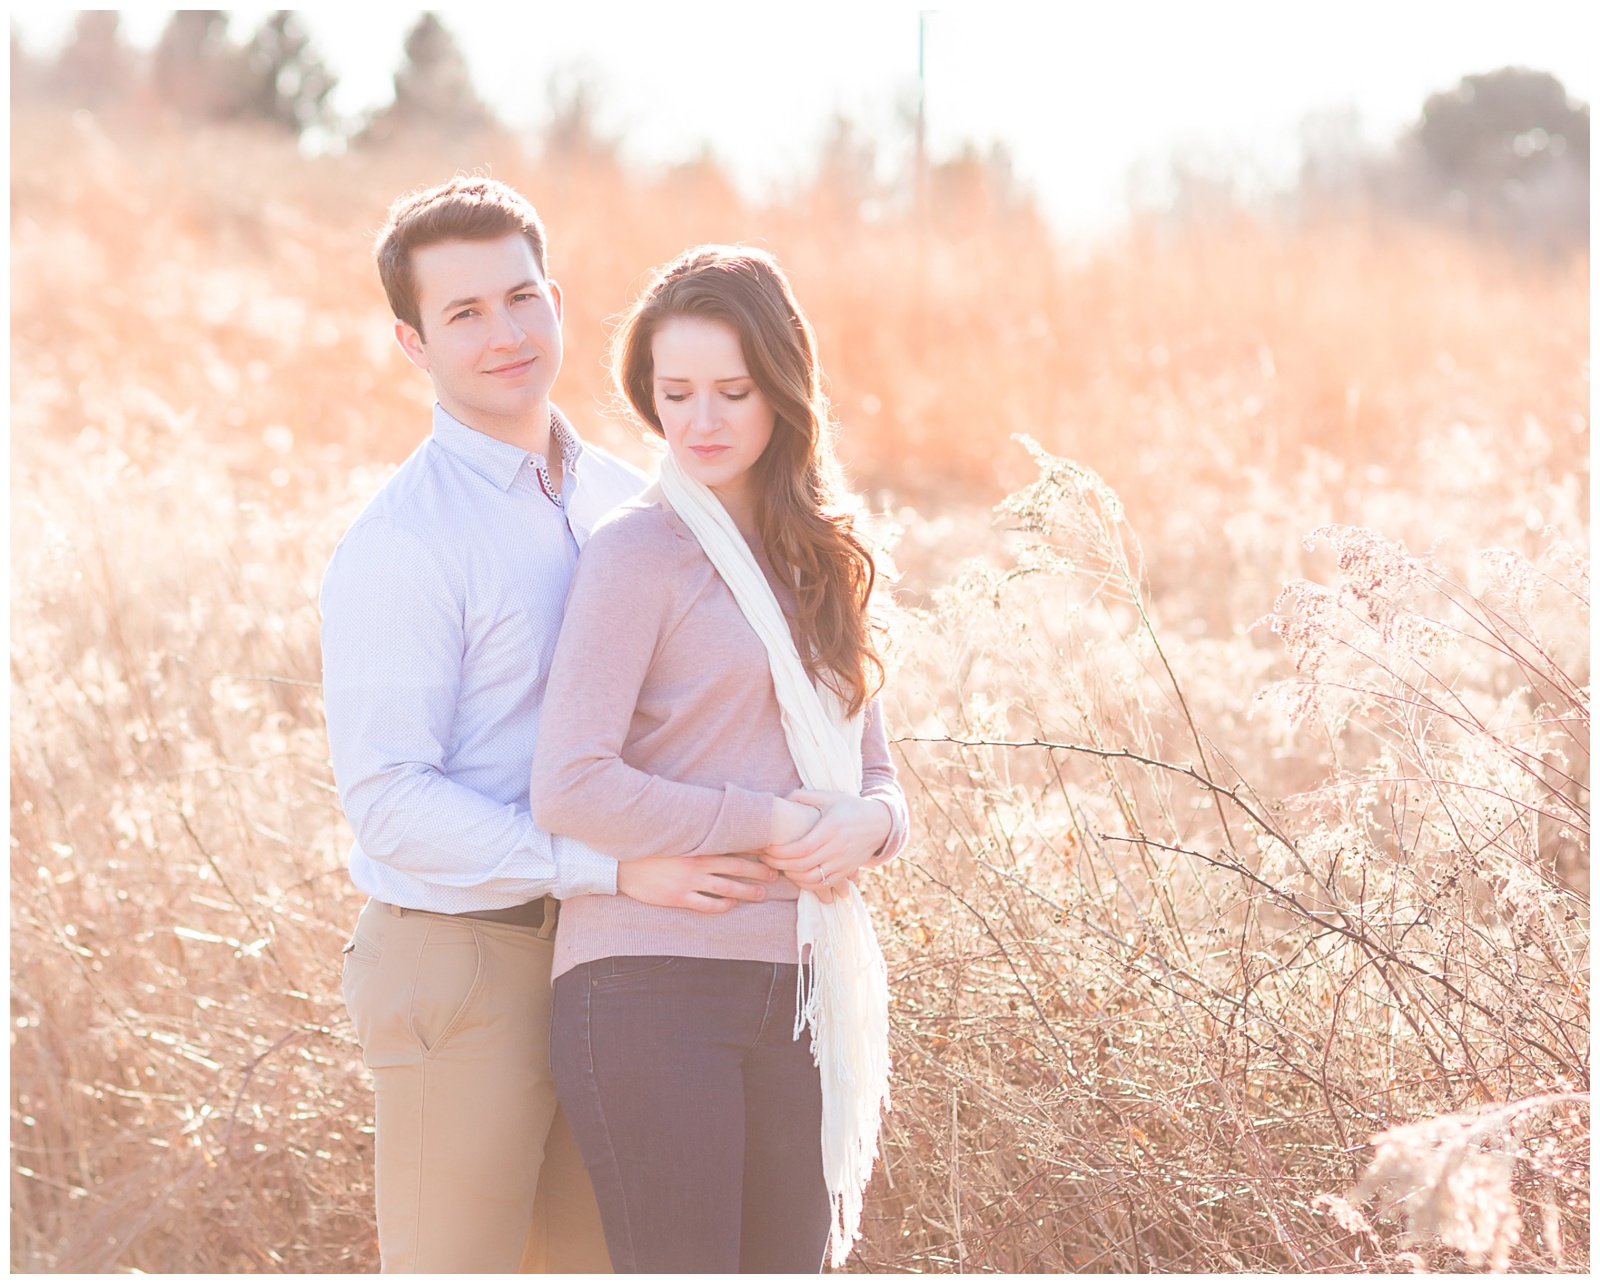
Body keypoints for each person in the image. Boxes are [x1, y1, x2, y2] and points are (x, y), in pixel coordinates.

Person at [320, 180, 782, 1274]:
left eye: (520, 298)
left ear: (560, 302)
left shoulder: (634, 502)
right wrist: (602, 868)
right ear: (411, 342)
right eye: (464, 313)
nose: (506, 334)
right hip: (466, 956)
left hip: (622, 961)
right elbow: (387, 802)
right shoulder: (404, 542)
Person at [530, 245, 910, 1273]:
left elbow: (877, 779)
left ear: (782, 390)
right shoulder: (634, 553)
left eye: (732, 391)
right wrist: (772, 823)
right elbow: (570, 782)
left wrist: (868, 827)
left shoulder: (817, 561)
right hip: (648, 981)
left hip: (800, 986)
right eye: (676, 392)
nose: (701, 420)